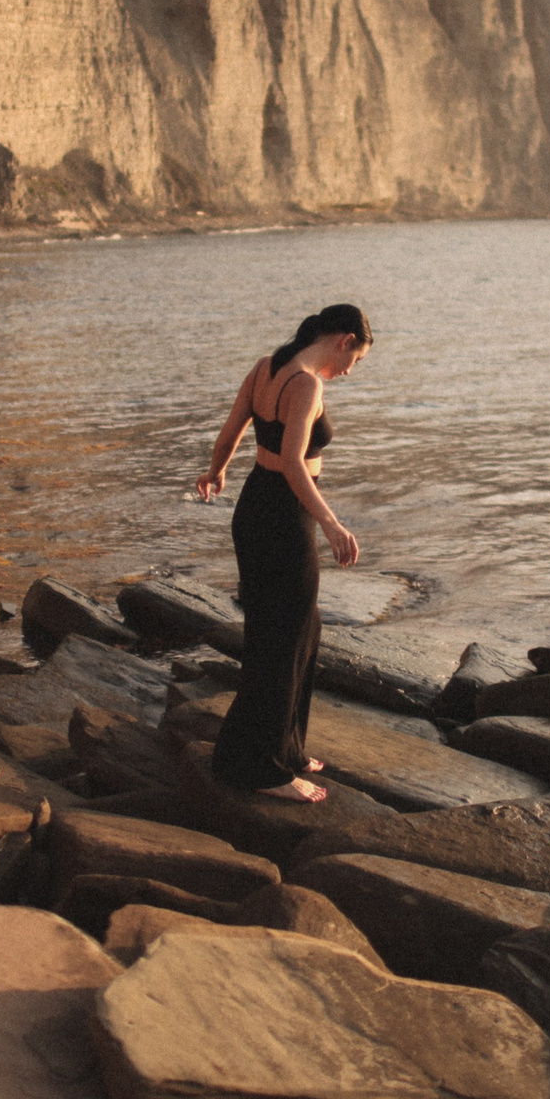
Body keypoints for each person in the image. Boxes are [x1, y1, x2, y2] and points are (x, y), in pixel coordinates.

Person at [193, 303, 373, 802]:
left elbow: (232, 430)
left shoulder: (266, 367)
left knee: (297, 628)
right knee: (283, 639)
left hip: (255, 506)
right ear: (343, 340)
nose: (350, 371)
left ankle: (287, 746)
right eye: (355, 359)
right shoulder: (307, 384)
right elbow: (294, 464)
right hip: (283, 515)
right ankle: (262, 768)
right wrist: (332, 523)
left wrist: (217, 471)